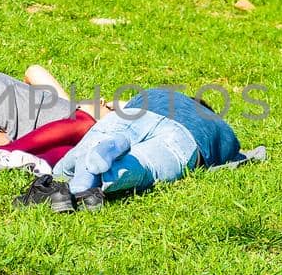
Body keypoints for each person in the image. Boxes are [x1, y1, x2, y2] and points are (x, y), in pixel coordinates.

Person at [18, 88, 243, 212]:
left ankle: (78, 176)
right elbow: (234, 157)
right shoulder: (218, 127)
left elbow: (116, 106)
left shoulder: (160, 92)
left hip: (134, 115)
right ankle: (107, 169)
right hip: (183, 137)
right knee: (145, 164)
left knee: (74, 158)